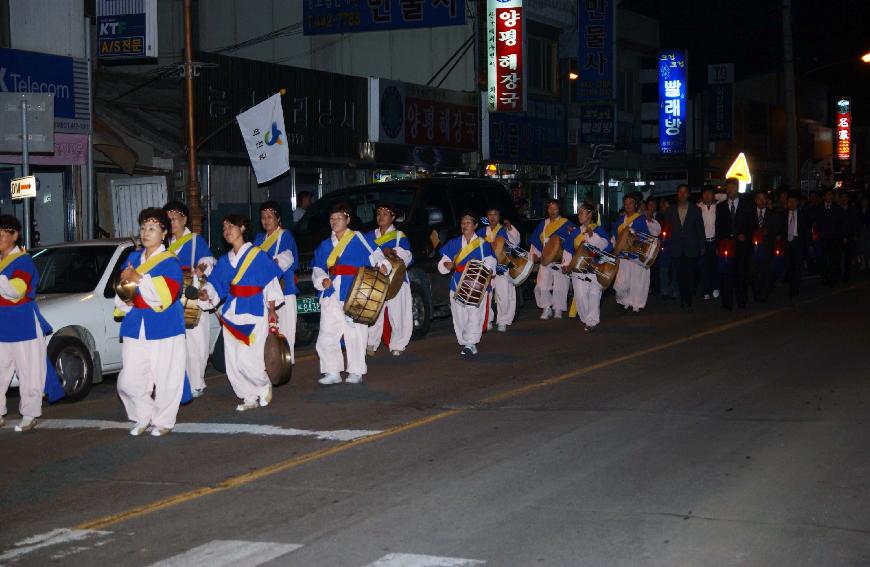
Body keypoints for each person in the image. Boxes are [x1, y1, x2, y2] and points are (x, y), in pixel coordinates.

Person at [113, 208, 187, 436]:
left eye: (152, 228)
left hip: (165, 324)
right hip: (136, 323)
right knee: (128, 379)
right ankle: (143, 415)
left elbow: (166, 296)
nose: (145, 232)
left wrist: (139, 278)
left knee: (166, 376)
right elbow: (123, 292)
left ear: (164, 233)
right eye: (143, 227)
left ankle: (163, 421)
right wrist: (126, 291)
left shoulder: (170, 262)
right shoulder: (133, 258)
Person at [199, 215, 282, 410]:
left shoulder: (258, 255)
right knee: (233, 360)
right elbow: (216, 285)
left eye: (231, 226)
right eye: (224, 227)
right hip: (231, 313)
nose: (226, 230)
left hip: (254, 310)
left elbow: (270, 283)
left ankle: (263, 384)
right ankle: (249, 396)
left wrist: (272, 310)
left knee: (247, 357)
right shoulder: (224, 261)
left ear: (243, 228)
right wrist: (206, 293)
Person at [312, 203, 391, 385]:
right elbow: (317, 267)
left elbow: (376, 254)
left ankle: (356, 371)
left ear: (347, 219)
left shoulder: (359, 238)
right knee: (327, 332)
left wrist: (383, 265)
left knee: (355, 333)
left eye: (339, 218)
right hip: (331, 293)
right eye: (332, 219)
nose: (335, 222)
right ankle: (332, 371)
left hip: (355, 290)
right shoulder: (325, 244)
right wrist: (322, 279)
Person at [0, 215, 53, 432]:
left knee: (30, 372)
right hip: (2, 324)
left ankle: (30, 414)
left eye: (2, 234)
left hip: (24, 324)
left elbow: (16, 291)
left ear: (14, 235)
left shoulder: (23, 261)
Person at [163, 201, 215, 398]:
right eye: (168, 220)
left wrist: (201, 268)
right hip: (171, 297)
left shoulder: (195, 240)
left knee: (196, 341)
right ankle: (180, 382)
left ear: (184, 219)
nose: (172, 223)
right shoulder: (164, 244)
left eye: (175, 218)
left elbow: (209, 260)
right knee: (177, 342)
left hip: (190, 294)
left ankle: (197, 382)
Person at [438, 211, 497, 356]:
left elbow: (492, 261)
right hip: (457, 282)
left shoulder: (483, 244)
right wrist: (446, 264)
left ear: (475, 225)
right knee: (458, 315)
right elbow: (443, 260)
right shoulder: (454, 243)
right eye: (463, 223)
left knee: (474, 313)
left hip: (476, 283)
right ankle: (465, 342)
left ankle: (471, 343)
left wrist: (483, 269)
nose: (465, 225)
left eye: (468, 222)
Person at [253, 201, 299, 363]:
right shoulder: (258, 239)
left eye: (270, 217)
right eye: (263, 217)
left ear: (278, 219)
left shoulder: (285, 236)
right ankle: (269, 362)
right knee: (266, 329)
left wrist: (270, 264)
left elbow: (288, 257)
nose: (266, 220)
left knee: (285, 327)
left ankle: (285, 363)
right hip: (263, 290)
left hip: (283, 288)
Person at [366, 202, 414, 356]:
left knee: (397, 312)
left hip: (396, 280)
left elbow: (409, 257)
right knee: (374, 311)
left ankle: (398, 344)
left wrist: (394, 252)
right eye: (379, 213)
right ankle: (371, 344)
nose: (381, 216)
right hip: (375, 278)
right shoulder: (369, 236)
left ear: (393, 217)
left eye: (385, 214)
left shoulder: (400, 236)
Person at [565, 203, 611, 331]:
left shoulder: (598, 230)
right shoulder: (575, 232)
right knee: (580, 296)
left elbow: (607, 246)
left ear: (590, 214)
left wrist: (592, 236)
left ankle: (592, 321)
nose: (579, 215)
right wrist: (566, 264)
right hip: (578, 269)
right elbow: (568, 250)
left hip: (595, 268)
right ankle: (586, 319)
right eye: (578, 212)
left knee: (594, 294)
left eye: (582, 212)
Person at [611, 192, 661, 312]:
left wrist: (636, 237)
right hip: (622, 257)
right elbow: (613, 237)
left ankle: (635, 305)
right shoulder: (619, 220)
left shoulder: (641, 219)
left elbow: (650, 235)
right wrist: (615, 247)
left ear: (635, 205)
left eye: (630, 203)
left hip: (636, 256)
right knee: (621, 284)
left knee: (637, 283)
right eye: (626, 203)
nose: (628, 205)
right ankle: (624, 301)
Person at [529, 199, 576, 319]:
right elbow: (535, 242)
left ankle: (558, 309)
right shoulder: (543, 224)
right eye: (550, 208)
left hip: (561, 259)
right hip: (546, 258)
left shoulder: (566, 223)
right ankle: (546, 307)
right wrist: (534, 254)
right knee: (541, 285)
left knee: (561, 285)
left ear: (559, 209)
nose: (552, 211)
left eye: (555, 208)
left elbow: (573, 242)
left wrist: (568, 262)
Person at [477, 206, 521, 332]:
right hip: (486, 267)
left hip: (502, 266)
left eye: (495, 214)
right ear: (487, 217)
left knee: (504, 295)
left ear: (499, 217)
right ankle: (488, 319)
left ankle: (503, 321)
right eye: (490, 214)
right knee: (486, 295)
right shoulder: (481, 231)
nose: (492, 217)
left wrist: (510, 228)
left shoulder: (504, 230)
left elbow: (515, 242)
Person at [715, 178, 755, 310]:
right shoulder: (720, 207)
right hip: (726, 245)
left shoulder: (747, 205)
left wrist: (746, 234)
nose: (730, 190)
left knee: (741, 274)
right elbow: (718, 227)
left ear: (737, 188)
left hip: (741, 245)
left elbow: (752, 224)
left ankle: (741, 300)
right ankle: (727, 302)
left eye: (732, 187)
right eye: (728, 188)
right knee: (726, 275)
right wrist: (718, 245)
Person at [665, 184, 706, 309]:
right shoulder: (671, 210)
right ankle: (684, 298)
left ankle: (688, 296)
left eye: (685, 192)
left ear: (689, 194)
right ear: (677, 194)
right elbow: (667, 228)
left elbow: (700, 229)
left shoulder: (696, 209)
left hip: (692, 247)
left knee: (690, 274)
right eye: (680, 192)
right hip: (676, 247)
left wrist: (702, 246)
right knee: (680, 274)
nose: (682, 194)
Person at [748, 190, 783, 304]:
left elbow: (777, 229)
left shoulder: (772, 214)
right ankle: (757, 291)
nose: (761, 201)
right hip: (753, 248)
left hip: (767, 247)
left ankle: (764, 294)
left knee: (765, 272)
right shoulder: (750, 213)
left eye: (764, 199)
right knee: (752, 272)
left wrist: (769, 232)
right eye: (759, 198)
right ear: (755, 200)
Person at [814, 188, 845, 287]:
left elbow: (841, 224)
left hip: (834, 238)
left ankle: (833, 279)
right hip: (822, 238)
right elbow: (816, 222)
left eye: (831, 195)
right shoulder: (819, 208)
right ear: (824, 197)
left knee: (833, 259)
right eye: (827, 195)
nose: (829, 197)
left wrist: (840, 236)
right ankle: (824, 277)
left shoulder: (837, 208)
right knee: (822, 259)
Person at [784, 192, 809, 297]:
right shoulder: (782, 215)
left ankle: (796, 287)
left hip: (798, 242)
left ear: (797, 203)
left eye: (794, 202)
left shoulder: (803, 215)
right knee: (789, 266)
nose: (792, 204)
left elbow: (806, 231)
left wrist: (807, 245)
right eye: (790, 202)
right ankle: (791, 286)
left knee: (797, 267)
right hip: (787, 243)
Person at [698, 186, 720, 300]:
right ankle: (705, 290)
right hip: (703, 242)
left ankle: (715, 287)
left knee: (715, 266)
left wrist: (716, 197)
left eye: (710, 193)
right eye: (705, 194)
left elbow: (725, 196)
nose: (707, 196)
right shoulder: (698, 207)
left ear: (713, 195)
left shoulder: (718, 206)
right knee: (704, 267)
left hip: (715, 241)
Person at [656, 197, 677, 299]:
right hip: (663, 247)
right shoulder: (659, 218)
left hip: (674, 246)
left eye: (666, 206)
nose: (664, 208)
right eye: (663, 206)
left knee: (675, 269)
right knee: (663, 269)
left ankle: (674, 290)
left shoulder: (676, 217)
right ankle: (664, 290)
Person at [840, 192, 861, 283]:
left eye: (845, 197)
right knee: (839, 256)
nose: (844, 199)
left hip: (850, 236)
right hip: (839, 236)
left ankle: (847, 275)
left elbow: (856, 223)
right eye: (842, 197)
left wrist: (856, 234)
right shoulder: (837, 209)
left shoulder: (852, 210)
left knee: (848, 257)